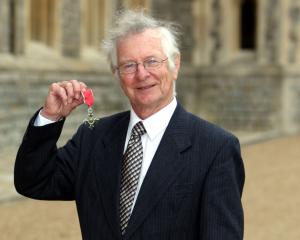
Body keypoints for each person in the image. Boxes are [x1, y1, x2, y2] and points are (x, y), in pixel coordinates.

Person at [14, 9, 245, 240]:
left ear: (175, 65)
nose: (141, 74)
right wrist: (49, 117)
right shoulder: (92, 137)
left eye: (152, 61)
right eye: (128, 65)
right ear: (116, 74)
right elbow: (34, 181)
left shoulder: (216, 148)